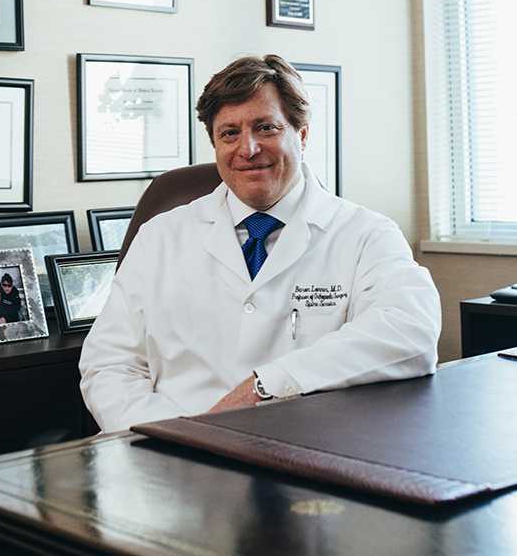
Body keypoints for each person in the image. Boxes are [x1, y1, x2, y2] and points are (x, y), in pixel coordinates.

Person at [79, 54, 442, 433]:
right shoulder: (161, 236)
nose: (247, 149)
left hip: (305, 449)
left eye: (265, 128)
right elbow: (109, 364)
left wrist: (265, 386)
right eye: (229, 133)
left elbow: (410, 331)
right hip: (170, 454)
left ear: (301, 135)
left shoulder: (365, 234)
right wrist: (174, 434)